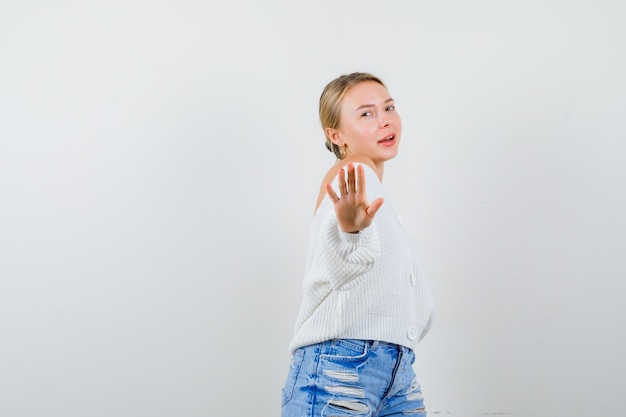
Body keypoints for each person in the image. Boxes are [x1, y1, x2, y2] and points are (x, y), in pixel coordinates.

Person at [281, 72, 435, 417]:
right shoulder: (354, 171)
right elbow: (338, 260)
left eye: (389, 108)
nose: (385, 121)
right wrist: (350, 233)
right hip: (344, 366)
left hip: (394, 369)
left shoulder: (375, 197)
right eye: (366, 113)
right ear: (336, 135)